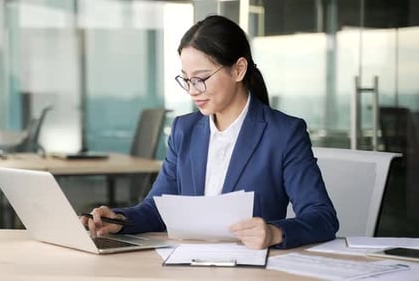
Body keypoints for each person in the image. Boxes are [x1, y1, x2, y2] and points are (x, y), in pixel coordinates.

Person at [81, 15, 339, 249]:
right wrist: (119, 220)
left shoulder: (283, 133)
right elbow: (157, 209)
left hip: (250, 270)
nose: (192, 90)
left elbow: (322, 217)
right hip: (187, 265)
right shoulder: (185, 130)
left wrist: (274, 233)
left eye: (201, 78)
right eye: (186, 79)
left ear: (238, 69)